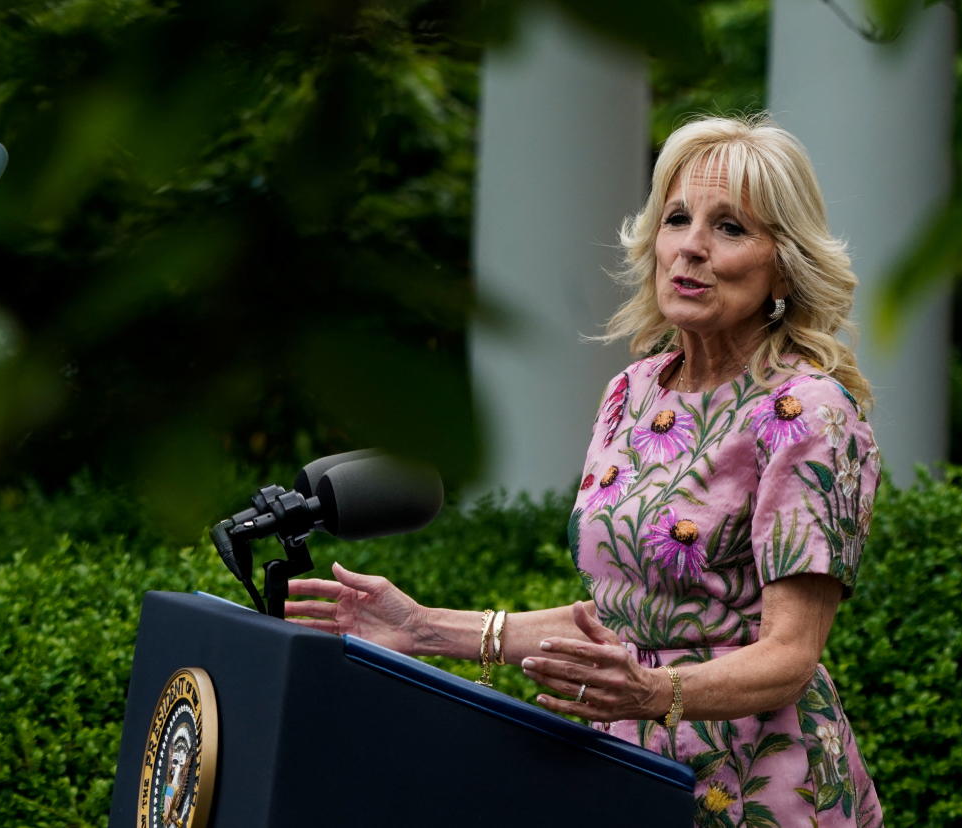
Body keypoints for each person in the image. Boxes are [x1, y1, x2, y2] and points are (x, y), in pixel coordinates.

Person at [286, 114, 883, 826]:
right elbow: (627, 621)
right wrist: (424, 628)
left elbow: (790, 653)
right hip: (623, 769)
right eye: (677, 218)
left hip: (759, 789)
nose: (690, 247)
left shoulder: (806, 410)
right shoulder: (634, 393)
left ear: (783, 263)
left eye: (730, 228)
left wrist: (655, 693)